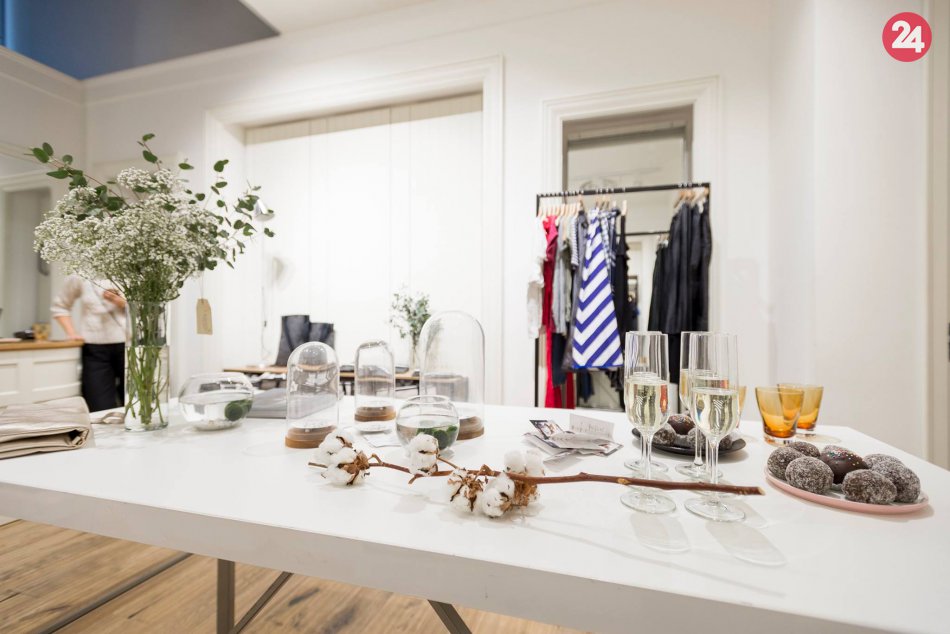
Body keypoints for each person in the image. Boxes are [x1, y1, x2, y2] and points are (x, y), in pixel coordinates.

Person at [52, 275, 127, 411]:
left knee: (136, 407)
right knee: (99, 408)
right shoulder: (79, 274)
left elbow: (148, 308)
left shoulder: (132, 270)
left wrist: (122, 302)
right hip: (94, 351)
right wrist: (71, 333)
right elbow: (60, 306)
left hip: (130, 347)